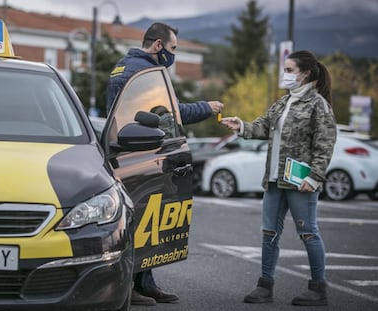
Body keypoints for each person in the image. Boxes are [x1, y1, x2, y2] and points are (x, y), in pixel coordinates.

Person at [106, 22, 223, 306]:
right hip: (135, 154)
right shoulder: (143, 73)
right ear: (158, 45)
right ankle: (128, 287)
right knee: (136, 224)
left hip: (133, 152)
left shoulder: (125, 66)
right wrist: (208, 107)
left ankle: (145, 283)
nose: (174, 55)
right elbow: (172, 113)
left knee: (147, 221)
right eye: (172, 48)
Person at [221, 50, 336, 306]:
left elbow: (325, 144)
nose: (285, 75)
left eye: (290, 70)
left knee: (308, 233)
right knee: (269, 233)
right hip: (274, 179)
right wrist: (240, 125)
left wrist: (315, 177)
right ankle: (265, 286)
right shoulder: (283, 103)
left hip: (300, 181)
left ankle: (319, 289)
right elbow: (262, 126)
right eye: (285, 70)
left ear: (306, 73)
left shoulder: (318, 105)